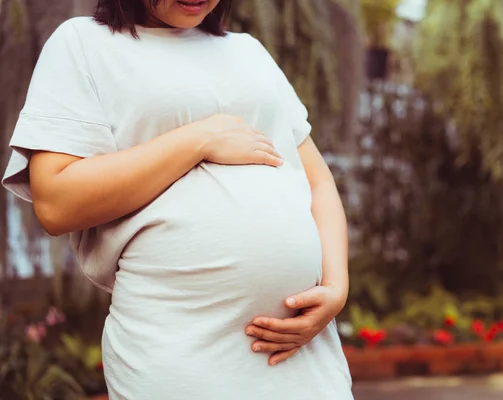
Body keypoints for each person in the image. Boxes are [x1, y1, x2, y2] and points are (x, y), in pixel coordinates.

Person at [2, 0, 353, 399]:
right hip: (180, 352)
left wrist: (336, 288)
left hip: (303, 353)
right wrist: (198, 140)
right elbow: (56, 201)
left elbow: (318, 183)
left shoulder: (249, 53)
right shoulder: (84, 44)